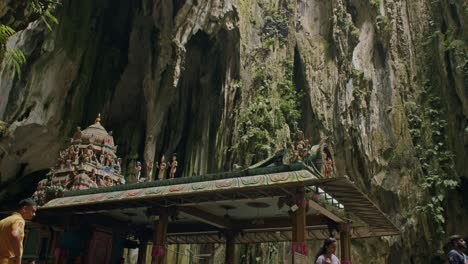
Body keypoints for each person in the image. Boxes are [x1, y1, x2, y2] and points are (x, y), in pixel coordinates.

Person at [0, 198, 37, 264]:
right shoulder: (19, 220)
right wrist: (18, 256)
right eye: (33, 211)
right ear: (24, 209)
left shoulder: (3, 221)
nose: (34, 214)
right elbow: (15, 234)